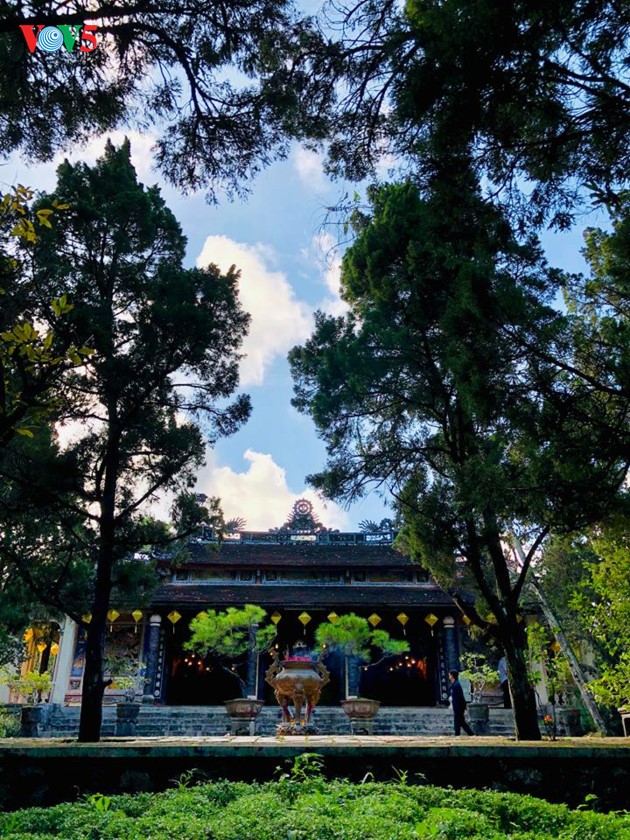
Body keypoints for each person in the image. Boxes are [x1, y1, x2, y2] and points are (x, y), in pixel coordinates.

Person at [449, 669, 474, 736]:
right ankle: (459, 734)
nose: (449, 676)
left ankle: (469, 733)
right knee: (459, 722)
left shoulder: (456, 685)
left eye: (450, 674)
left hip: (458, 707)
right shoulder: (455, 684)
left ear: (452, 675)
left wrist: (463, 706)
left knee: (460, 722)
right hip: (457, 706)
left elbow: (461, 697)